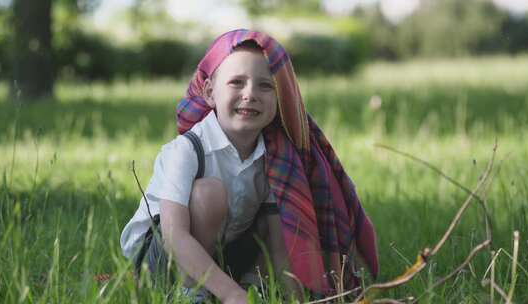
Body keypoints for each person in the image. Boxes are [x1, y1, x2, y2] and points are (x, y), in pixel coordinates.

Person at [121, 29, 379, 304]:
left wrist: (296, 299)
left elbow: (280, 243)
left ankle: (252, 289)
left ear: (280, 99)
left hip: (220, 251)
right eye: (237, 82)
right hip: (159, 261)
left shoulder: (276, 157)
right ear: (209, 93)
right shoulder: (187, 150)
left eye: (265, 86)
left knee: (282, 211)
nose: (250, 94)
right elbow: (174, 237)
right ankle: (192, 294)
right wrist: (231, 294)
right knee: (208, 194)